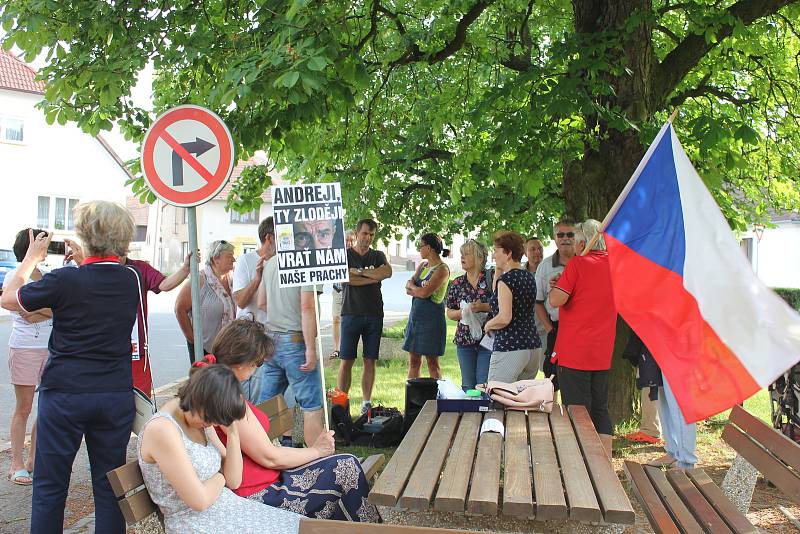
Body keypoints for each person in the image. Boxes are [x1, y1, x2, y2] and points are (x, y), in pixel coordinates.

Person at [1, 201, 140, 533]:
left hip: (65, 394)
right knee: (110, 491)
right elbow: (99, 276)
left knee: (50, 489)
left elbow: (8, 299)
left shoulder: (64, 281)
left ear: (85, 235)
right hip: (114, 395)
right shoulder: (129, 280)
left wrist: (31, 258)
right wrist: (86, 257)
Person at [209, 320, 381, 521]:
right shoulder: (225, 396)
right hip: (260, 493)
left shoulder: (219, 385)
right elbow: (270, 457)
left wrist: (316, 451)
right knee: (347, 467)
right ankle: (372, 528)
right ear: (241, 363)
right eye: (258, 363)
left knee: (346, 467)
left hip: (266, 478)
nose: (257, 369)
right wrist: (317, 451)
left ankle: (368, 527)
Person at [137, 364, 303, 533]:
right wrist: (220, 476)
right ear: (198, 399)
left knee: (300, 526)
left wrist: (232, 433)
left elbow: (234, 480)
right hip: (194, 523)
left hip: (223, 508)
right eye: (211, 419)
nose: (212, 424)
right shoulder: (163, 430)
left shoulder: (198, 415)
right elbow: (199, 501)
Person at [64, 239, 194, 395]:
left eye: (122, 250)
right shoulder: (98, 270)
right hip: (104, 351)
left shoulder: (139, 268)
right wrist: (83, 263)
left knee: (139, 402)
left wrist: (185, 269)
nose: (117, 255)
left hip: (135, 350)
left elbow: (164, 285)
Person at [549, 220, 616, 456]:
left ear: (581, 243)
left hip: (575, 351)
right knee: (600, 408)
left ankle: (582, 466)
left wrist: (555, 287)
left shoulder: (578, 263)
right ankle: (604, 462)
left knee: (577, 411)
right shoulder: (615, 266)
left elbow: (556, 301)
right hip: (602, 350)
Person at [256, 239, 325, 446]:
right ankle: (318, 462)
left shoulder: (272, 263)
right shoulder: (307, 263)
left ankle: (264, 458)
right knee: (311, 406)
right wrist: (311, 349)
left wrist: (281, 315)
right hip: (296, 341)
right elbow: (307, 307)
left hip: (271, 339)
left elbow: (261, 302)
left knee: (267, 405)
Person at [4, 229, 53, 486]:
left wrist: (44, 309)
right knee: (24, 408)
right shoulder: (16, 276)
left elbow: (43, 309)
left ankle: (34, 460)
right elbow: (26, 313)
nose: (46, 248)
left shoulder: (47, 277)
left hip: (51, 349)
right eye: (42, 243)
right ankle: (16, 464)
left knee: (45, 408)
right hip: (24, 348)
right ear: (31, 247)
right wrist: (51, 309)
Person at [337, 219, 392, 414]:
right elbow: (345, 278)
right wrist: (371, 277)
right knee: (347, 360)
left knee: (370, 360)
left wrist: (360, 273)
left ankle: (366, 402)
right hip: (351, 313)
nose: (368, 238)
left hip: (374, 314)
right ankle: (341, 404)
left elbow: (387, 272)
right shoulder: (345, 255)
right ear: (357, 233)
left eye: (371, 235)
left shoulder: (377, 255)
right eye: (365, 233)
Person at [483, 231, 540, 383]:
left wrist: (489, 324)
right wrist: (498, 271)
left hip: (511, 346)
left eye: (496, 251)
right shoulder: (528, 276)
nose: (494, 256)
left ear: (508, 253)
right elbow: (497, 296)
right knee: (521, 402)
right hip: (533, 346)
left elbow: (504, 317)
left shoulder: (507, 280)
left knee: (498, 397)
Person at [175, 239, 236, 363]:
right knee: (205, 381)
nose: (234, 260)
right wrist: (193, 339)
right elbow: (179, 308)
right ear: (215, 259)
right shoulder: (200, 280)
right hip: (204, 348)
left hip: (227, 347)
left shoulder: (231, 279)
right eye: (229, 256)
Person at [445, 239, 493, 390]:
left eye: (467, 254)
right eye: (461, 254)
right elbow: (450, 313)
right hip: (464, 341)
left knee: (483, 385)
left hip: (489, 340)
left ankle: (486, 413)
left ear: (480, 257)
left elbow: (502, 306)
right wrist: (463, 312)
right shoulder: (457, 283)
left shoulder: (492, 279)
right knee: (468, 386)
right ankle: (469, 414)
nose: (462, 257)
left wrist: (482, 307)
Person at [534, 219, 577, 385]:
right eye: (561, 234)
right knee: (552, 379)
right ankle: (552, 411)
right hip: (557, 328)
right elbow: (538, 302)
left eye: (570, 234)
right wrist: (549, 328)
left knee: (576, 379)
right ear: (554, 237)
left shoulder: (585, 261)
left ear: (577, 237)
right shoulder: (545, 267)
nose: (565, 238)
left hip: (581, 329)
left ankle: (573, 411)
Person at [403, 233, 451, 380]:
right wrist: (415, 289)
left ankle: (437, 399)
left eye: (421, 246)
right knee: (414, 362)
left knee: (432, 364)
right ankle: (412, 398)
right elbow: (407, 288)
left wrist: (414, 288)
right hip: (416, 320)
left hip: (432, 322)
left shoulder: (442, 269)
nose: (419, 249)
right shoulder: (423, 266)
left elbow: (424, 293)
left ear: (429, 248)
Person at [233, 218, 275, 324]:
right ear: (269, 238)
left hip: (278, 332)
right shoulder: (245, 260)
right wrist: (257, 279)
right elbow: (241, 302)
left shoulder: (284, 262)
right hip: (251, 336)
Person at [330, 229, 356, 359]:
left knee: (349, 321)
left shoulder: (356, 255)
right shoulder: (337, 254)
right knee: (336, 319)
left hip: (351, 292)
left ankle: (347, 348)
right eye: (347, 240)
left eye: (352, 240)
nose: (349, 243)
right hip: (338, 290)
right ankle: (336, 349)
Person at [524, 236, 546, 376]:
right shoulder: (520, 274)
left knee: (549, 370)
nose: (537, 252)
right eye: (533, 249)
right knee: (524, 371)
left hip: (545, 328)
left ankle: (550, 398)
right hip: (525, 330)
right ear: (525, 252)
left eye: (540, 248)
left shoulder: (549, 271)